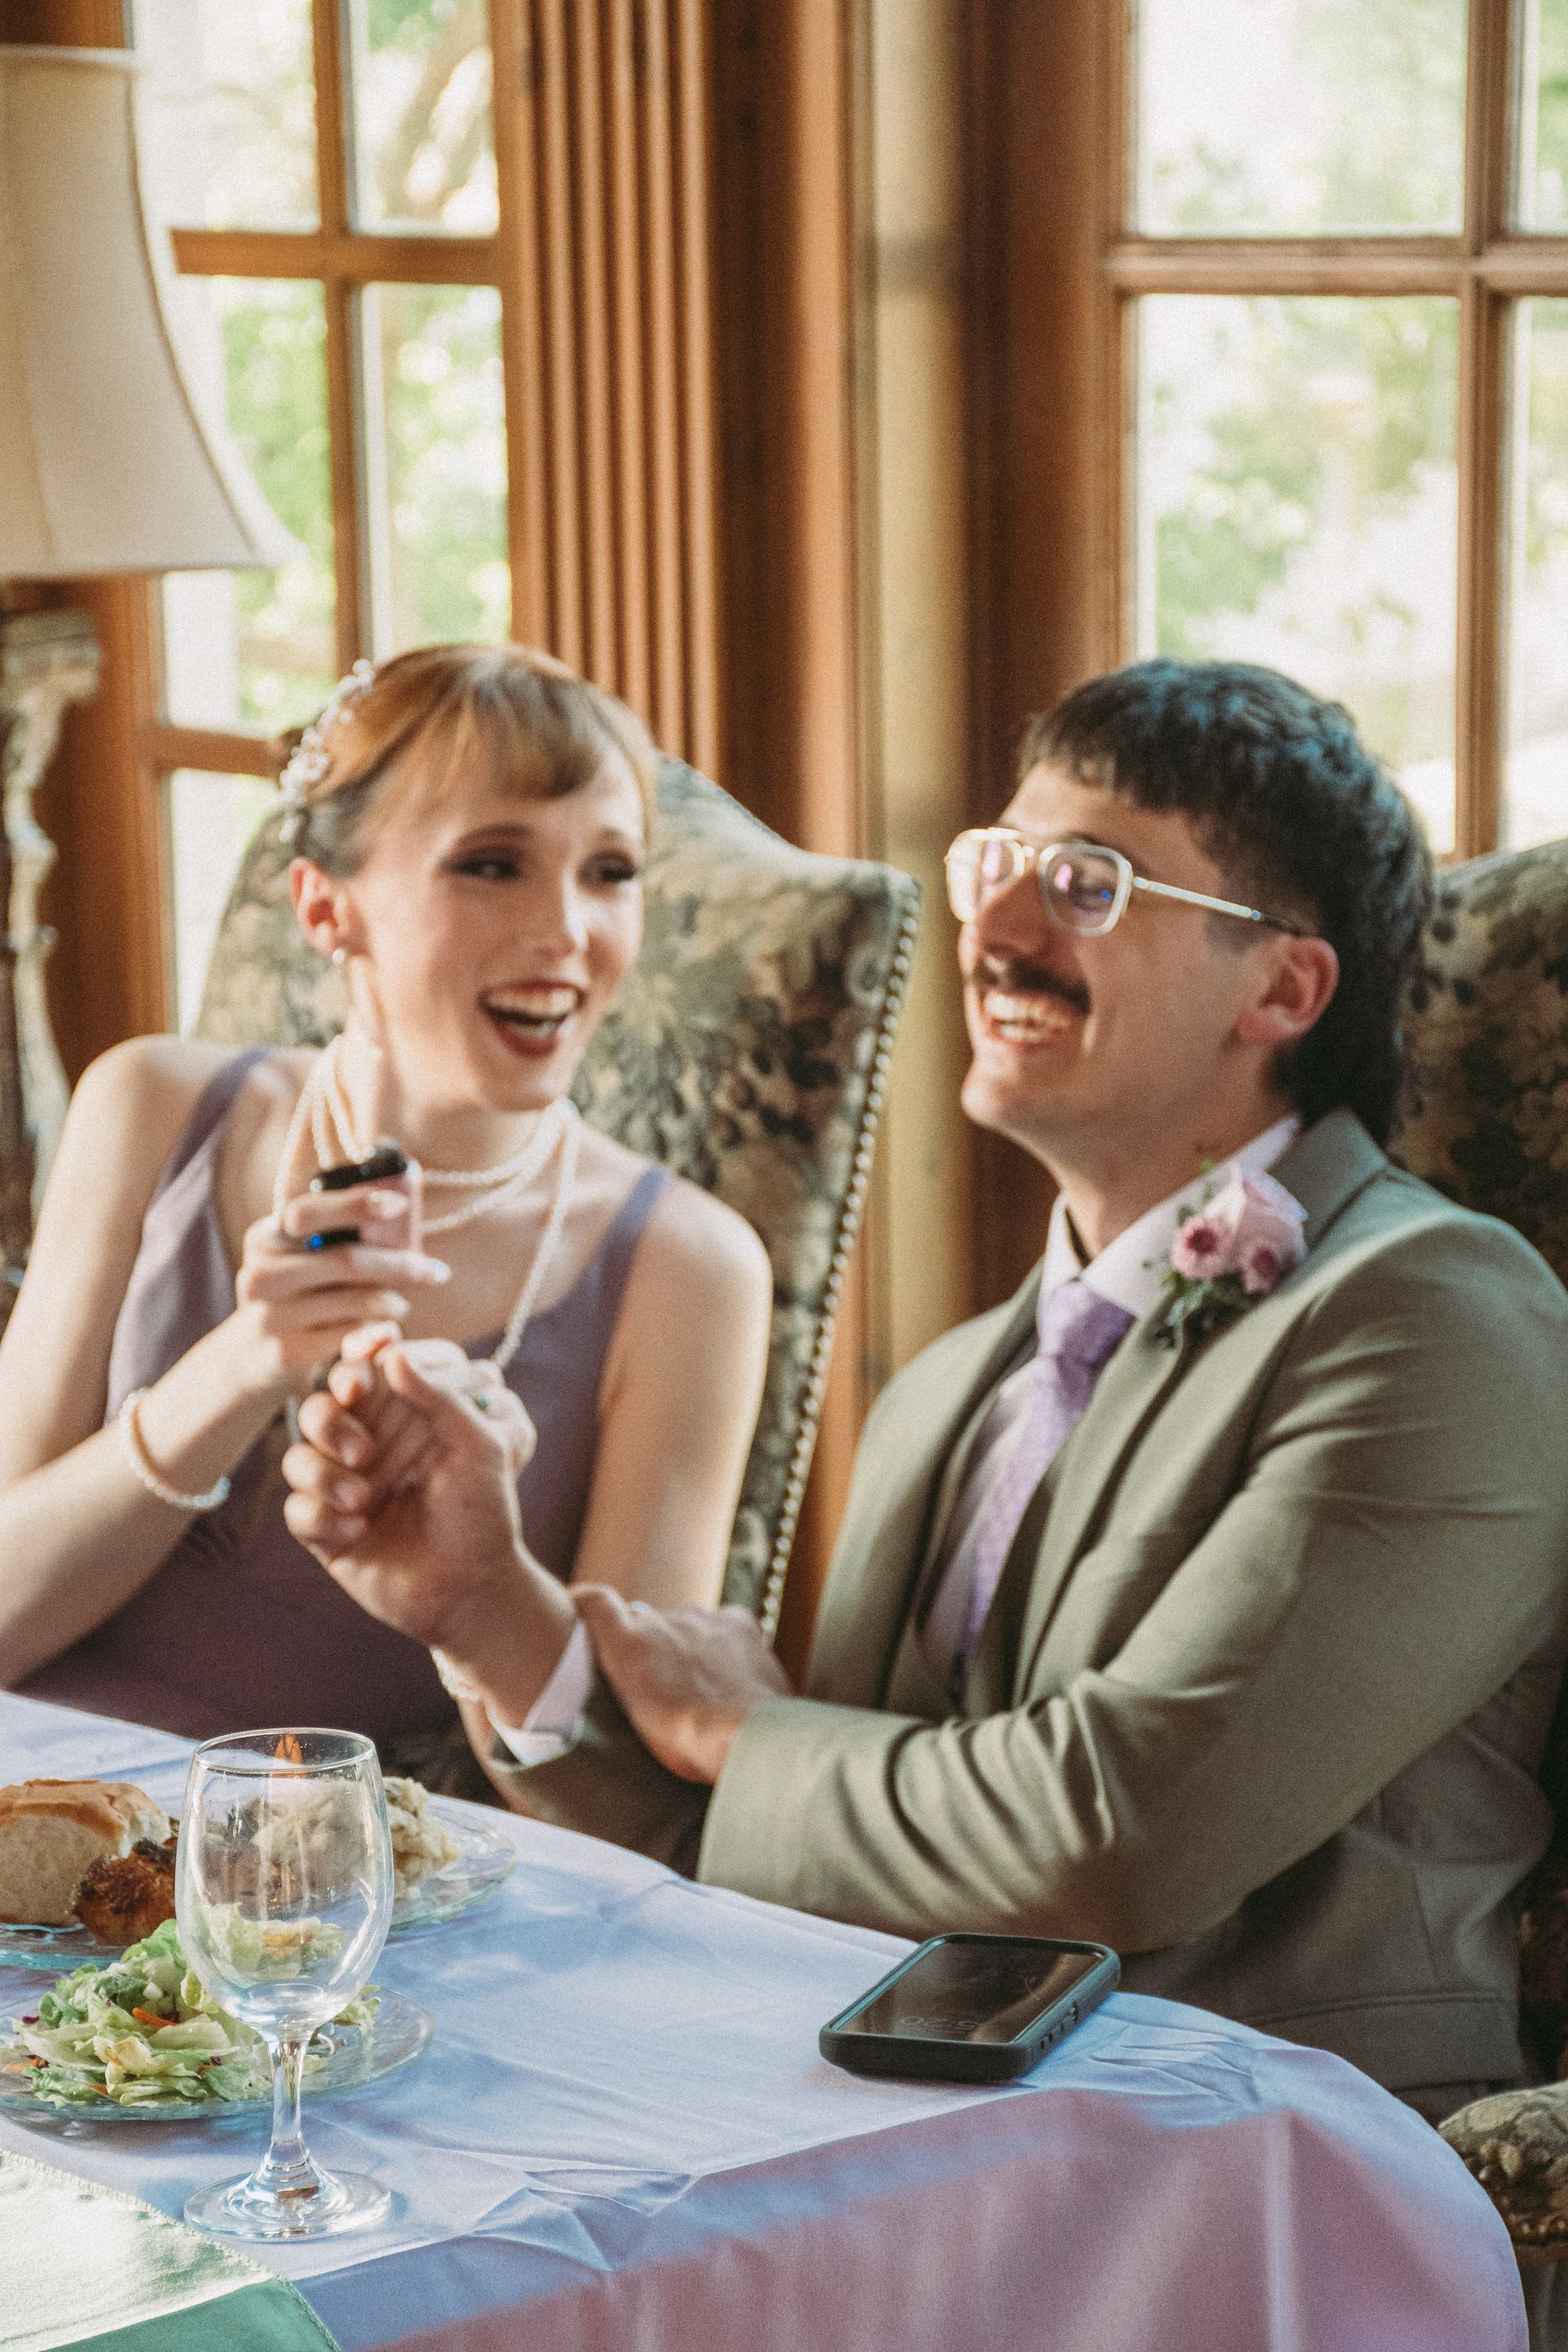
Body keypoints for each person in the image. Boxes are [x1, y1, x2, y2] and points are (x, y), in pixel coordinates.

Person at [280, 657, 1568, 2114]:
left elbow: (1117, 1831)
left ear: (1283, 983)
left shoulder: (1436, 1318)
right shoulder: (948, 1386)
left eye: (1085, 885)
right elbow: (802, 1846)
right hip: (904, 2139)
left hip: (1278, 2165)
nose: (998, 934)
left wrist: (738, 1727)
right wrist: (490, 1610)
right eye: (996, 866)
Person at [0, 643, 772, 1784]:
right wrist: (246, 1362)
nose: (567, 929)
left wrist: (486, 1592)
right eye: (493, 864)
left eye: (610, 871)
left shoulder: (690, 1267)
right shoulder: (151, 1104)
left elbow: (629, 1788)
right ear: (327, 907)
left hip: (342, 1915)